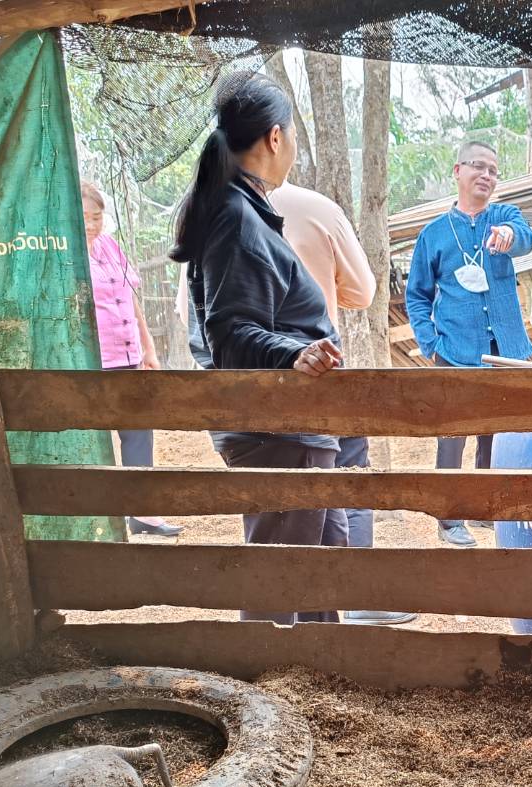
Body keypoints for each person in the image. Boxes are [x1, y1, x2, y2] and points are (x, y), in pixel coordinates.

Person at [176, 182, 413, 624]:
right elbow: (361, 292)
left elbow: (197, 325)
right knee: (284, 563)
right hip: (291, 412)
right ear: (272, 146)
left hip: (256, 415)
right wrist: (293, 349)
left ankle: (320, 649)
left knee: (320, 544)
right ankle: (270, 659)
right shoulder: (289, 212)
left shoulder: (208, 213)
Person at [170, 72, 345, 624]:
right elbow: (229, 333)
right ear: (275, 137)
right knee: (280, 588)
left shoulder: (239, 210)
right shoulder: (237, 217)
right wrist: (292, 354)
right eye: (291, 135)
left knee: (319, 577)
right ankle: (264, 678)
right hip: (281, 432)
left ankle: (320, 677)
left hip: (293, 430)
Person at [405, 140, 532, 547]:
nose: (486, 175)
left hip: (506, 350)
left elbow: (526, 237)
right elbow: (417, 295)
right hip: (455, 350)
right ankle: (449, 518)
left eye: (493, 170)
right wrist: (430, 343)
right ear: (457, 171)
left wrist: (510, 235)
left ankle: (484, 508)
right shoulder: (434, 234)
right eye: (478, 166)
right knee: (452, 435)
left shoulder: (504, 216)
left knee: (497, 434)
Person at [82, 181, 182, 538]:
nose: (91, 224)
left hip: (126, 355)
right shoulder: (65, 255)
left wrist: (147, 347)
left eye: (97, 217)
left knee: (139, 432)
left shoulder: (110, 246)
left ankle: (144, 513)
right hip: (91, 362)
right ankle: (96, 516)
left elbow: (130, 299)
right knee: (93, 438)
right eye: (84, 217)